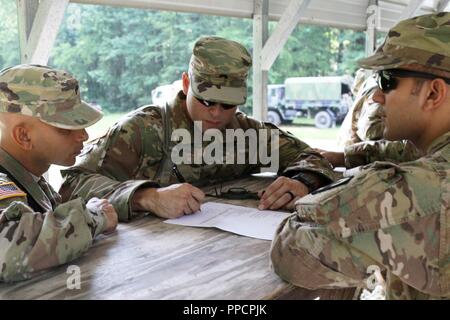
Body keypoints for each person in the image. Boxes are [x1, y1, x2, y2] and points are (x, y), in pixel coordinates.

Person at [270, 12, 450, 299]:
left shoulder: (417, 191)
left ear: (433, 93)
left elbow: (293, 253)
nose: (377, 96)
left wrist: (311, 197)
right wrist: (345, 157)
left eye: (388, 80)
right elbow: (401, 150)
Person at [59, 36, 335, 221]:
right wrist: (146, 197)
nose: (216, 113)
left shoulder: (246, 134)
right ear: (186, 84)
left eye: (228, 105)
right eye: (206, 101)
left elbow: (310, 155)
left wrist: (303, 181)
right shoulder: (143, 131)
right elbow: (74, 183)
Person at [0, 64, 118, 282]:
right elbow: (7, 250)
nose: (83, 135)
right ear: (24, 136)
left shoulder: (29, 179)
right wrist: (93, 217)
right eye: (66, 128)